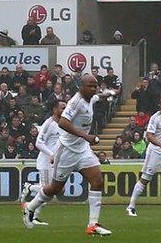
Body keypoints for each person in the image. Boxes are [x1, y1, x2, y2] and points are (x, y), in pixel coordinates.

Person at [22, 72, 112, 235]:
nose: (93, 88)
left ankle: (93, 225)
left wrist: (111, 92)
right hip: (67, 151)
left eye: (95, 85)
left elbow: (98, 96)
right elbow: (63, 122)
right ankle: (30, 207)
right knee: (55, 189)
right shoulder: (75, 102)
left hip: (82, 150)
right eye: (90, 86)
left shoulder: (90, 98)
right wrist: (87, 136)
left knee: (97, 181)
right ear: (81, 87)